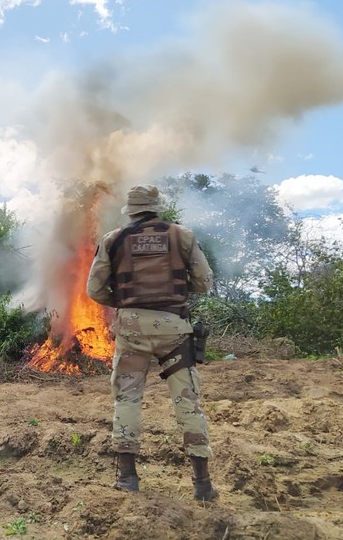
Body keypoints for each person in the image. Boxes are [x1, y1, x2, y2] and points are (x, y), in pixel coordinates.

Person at [86, 184, 218, 501]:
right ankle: (202, 485)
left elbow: (94, 289)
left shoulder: (113, 239)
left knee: (127, 400)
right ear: (157, 207)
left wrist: (122, 300)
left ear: (130, 210)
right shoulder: (182, 236)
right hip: (174, 329)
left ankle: (127, 478)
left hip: (131, 329)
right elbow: (204, 282)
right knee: (188, 402)